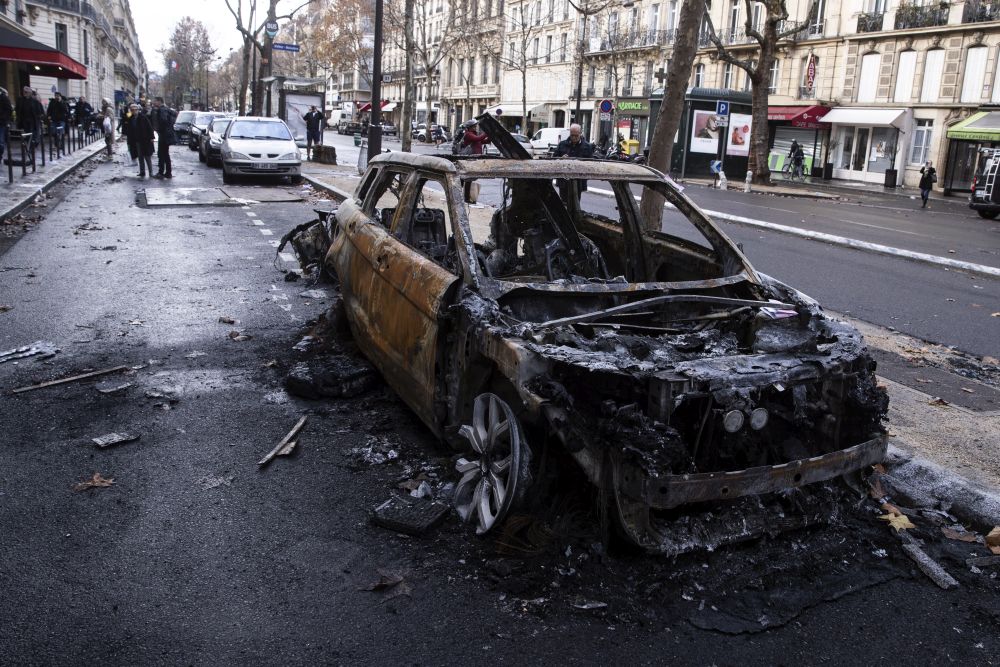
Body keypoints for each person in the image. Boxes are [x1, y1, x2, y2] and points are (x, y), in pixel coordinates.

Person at [554, 124, 595, 203]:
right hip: (563, 180)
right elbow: (554, 158)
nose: (574, 138)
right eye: (572, 135)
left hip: (578, 181)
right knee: (563, 203)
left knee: (575, 203)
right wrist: (560, 159)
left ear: (580, 133)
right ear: (570, 134)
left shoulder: (587, 146)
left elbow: (591, 163)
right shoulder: (562, 144)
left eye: (576, 135)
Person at [149, 97, 176, 178]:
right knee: (166, 154)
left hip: (164, 135)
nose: (154, 102)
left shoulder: (162, 110)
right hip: (168, 134)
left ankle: (161, 172)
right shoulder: (167, 109)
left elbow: (163, 121)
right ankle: (168, 173)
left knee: (161, 154)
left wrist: (159, 129)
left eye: (155, 101)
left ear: (159, 101)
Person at [127, 103, 154, 177]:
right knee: (140, 156)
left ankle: (151, 172)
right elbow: (125, 118)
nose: (133, 111)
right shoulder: (130, 118)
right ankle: (142, 172)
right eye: (132, 110)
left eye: (135, 110)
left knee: (147, 156)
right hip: (136, 140)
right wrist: (128, 111)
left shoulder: (143, 117)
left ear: (138, 110)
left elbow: (149, 127)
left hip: (145, 139)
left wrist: (152, 137)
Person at [16, 86, 43, 151]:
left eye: (26, 92)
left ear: (30, 93)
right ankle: (30, 146)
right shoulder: (21, 100)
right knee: (27, 134)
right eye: (24, 92)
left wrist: (38, 116)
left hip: (33, 120)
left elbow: (40, 110)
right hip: (25, 120)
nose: (24, 93)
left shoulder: (34, 101)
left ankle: (32, 146)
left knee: (32, 133)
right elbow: (18, 109)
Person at [0, 87, 12, 161]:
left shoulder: (4, 98)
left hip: (1, 123)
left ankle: (0, 155)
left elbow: (9, 110)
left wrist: (5, 119)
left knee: (1, 141)